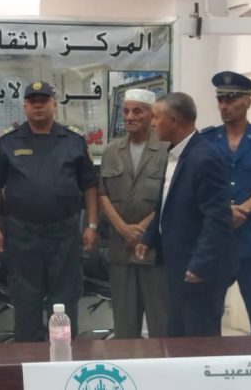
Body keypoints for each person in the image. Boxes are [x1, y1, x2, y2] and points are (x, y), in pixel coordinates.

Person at [0, 80, 98, 342]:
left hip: (64, 235)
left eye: (43, 101)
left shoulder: (74, 141)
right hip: (22, 235)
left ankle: (63, 359)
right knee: (26, 301)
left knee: (65, 301)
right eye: (32, 101)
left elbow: (90, 187)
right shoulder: (7, 143)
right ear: (25, 106)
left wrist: (91, 225)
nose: (38, 106)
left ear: (54, 105)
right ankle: (29, 359)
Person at [136, 92, 237, 337]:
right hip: (176, 264)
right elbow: (166, 204)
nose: (152, 123)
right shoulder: (175, 154)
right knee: (178, 336)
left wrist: (201, 263)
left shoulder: (204, 158)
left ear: (174, 120)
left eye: (156, 117)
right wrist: (149, 237)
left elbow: (216, 217)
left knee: (199, 340)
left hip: (199, 270)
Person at [99, 89, 168, 339]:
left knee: (162, 325)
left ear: (152, 115)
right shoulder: (111, 151)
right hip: (121, 248)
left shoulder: (167, 149)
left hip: (155, 250)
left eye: (137, 111)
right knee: (125, 328)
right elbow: (102, 194)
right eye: (126, 111)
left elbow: (170, 195)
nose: (129, 117)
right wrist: (123, 228)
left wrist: (144, 228)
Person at [201, 71, 251, 334]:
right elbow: (197, 186)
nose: (224, 106)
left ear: (248, 100)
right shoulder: (205, 140)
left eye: (231, 99)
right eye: (220, 100)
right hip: (215, 241)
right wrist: (224, 211)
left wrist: (244, 209)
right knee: (207, 317)